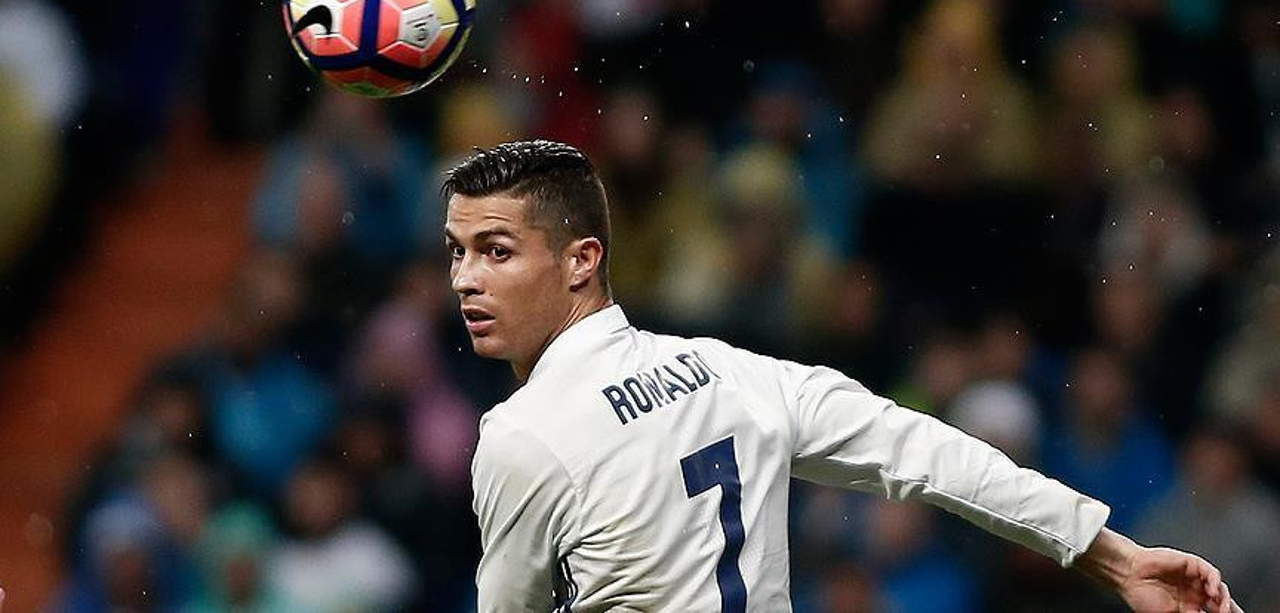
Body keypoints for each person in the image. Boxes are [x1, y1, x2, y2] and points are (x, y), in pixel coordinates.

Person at [444, 139, 1242, 612]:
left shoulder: (524, 436)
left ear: (582, 260)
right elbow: (928, 454)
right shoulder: (728, 373)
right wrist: (1115, 556)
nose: (465, 279)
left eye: (496, 250)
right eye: (457, 252)